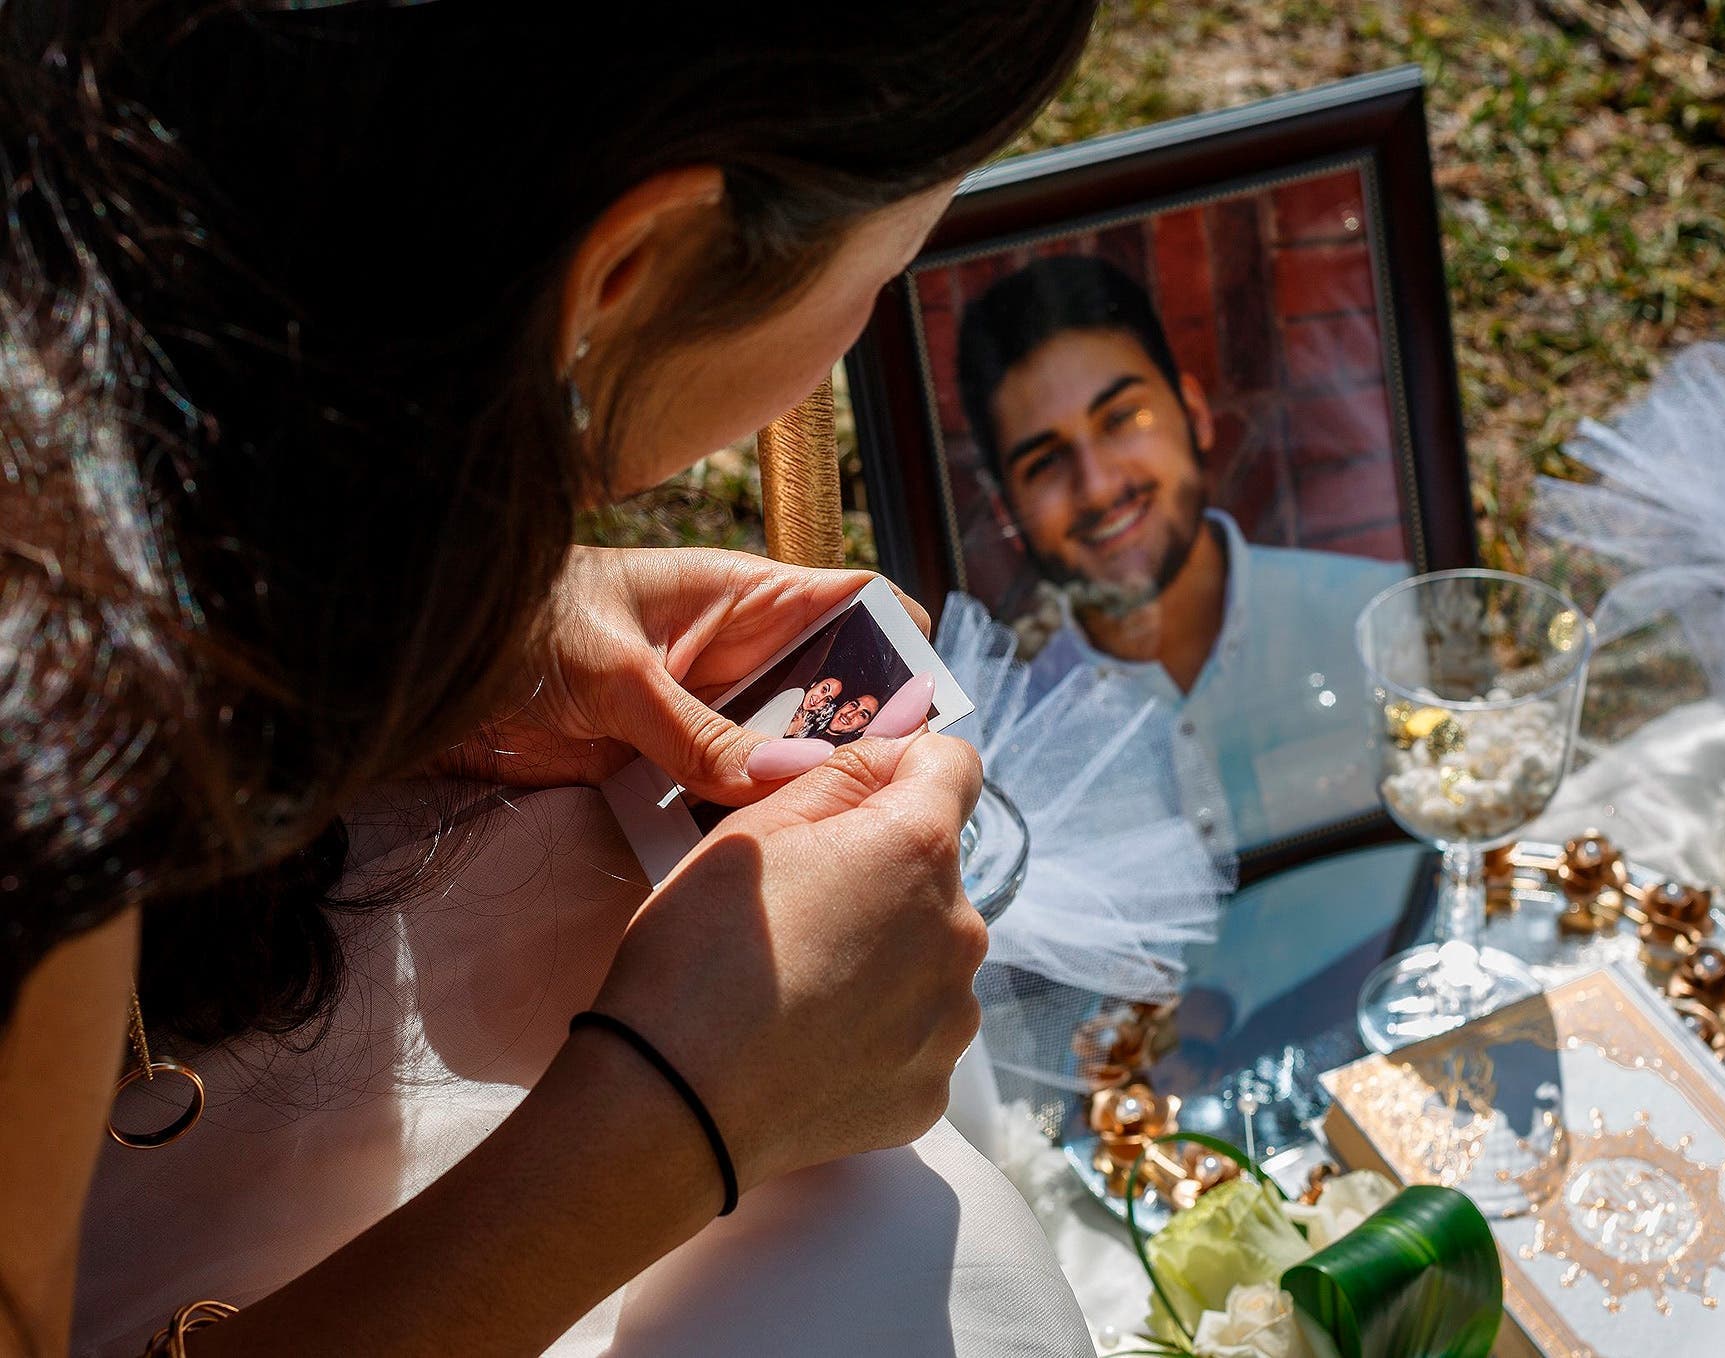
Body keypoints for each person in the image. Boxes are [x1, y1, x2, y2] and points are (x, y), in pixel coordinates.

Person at [0, 5, 1098, 1356]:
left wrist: (437, 630)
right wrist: (674, 1116)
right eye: (888, 269)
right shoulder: (38, 675)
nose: (861, 330)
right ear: (630, 265)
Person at [956, 255, 1408, 853]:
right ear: (1005, 510)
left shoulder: (1383, 621)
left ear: (1194, 415)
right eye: (1045, 462)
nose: (1096, 487)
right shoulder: (999, 749)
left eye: (1121, 418)